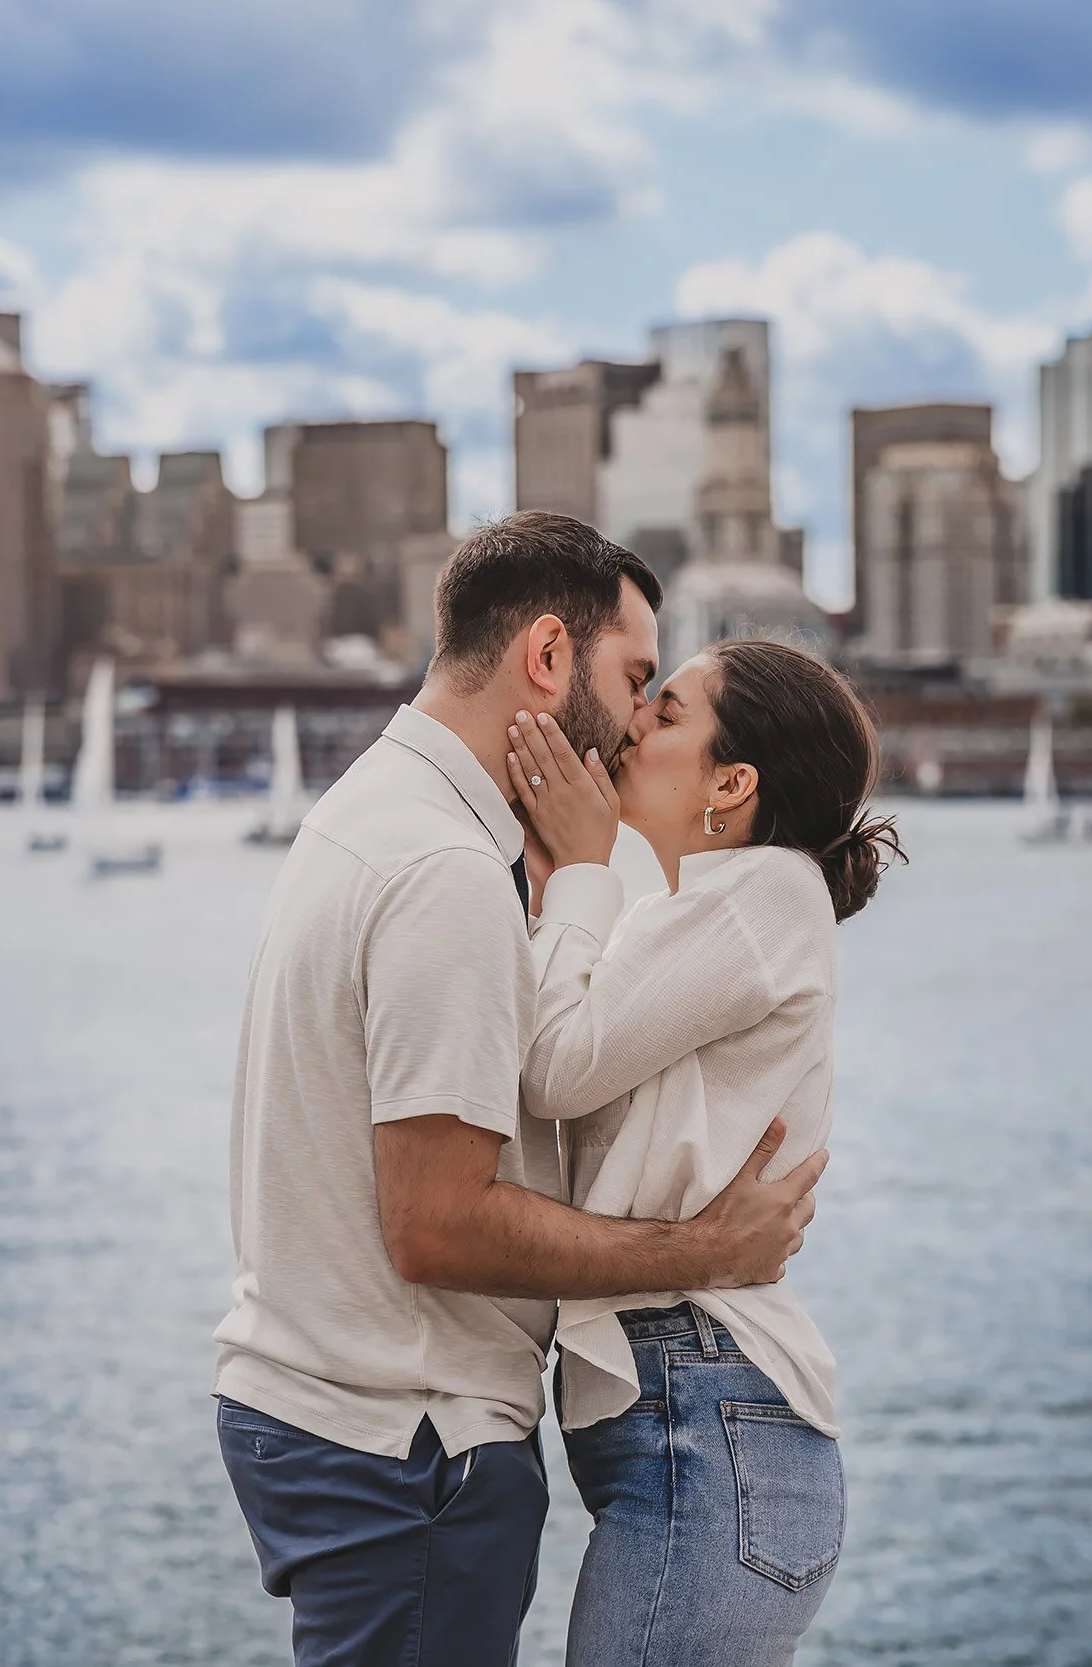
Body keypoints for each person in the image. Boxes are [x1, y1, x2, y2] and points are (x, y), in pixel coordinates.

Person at [214, 512, 829, 1667]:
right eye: (636, 677)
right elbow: (438, 1223)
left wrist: (564, 882)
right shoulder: (446, 871)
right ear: (547, 657)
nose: (640, 714)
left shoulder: (370, 814)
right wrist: (704, 1250)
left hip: (331, 1408)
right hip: (407, 1434)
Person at [503, 637, 902, 1667]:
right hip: (705, 1420)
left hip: (709, 1414)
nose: (635, 722)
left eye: (667, 712)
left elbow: (553, 1063)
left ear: (733, 781)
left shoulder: (763, 892)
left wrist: (579, 873)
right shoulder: (704, 909)